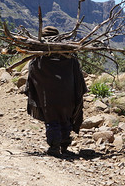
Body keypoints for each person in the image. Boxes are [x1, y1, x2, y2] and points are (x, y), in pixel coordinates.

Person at [24, 26, 87, 156]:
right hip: (68, 96)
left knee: (52, 119)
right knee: (66, 118)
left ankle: (54, 147)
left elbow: (33, 77)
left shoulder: (38, 58)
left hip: (48, 97)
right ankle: (64, 145)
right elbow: (78, 77)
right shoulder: (70, 56)